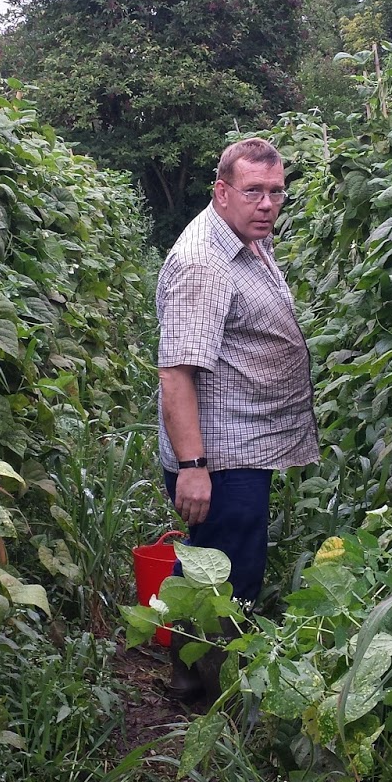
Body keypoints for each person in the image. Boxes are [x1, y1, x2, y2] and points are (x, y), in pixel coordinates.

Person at [156, 136, 318, 699]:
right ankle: (212, 693)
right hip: (220, 455)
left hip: (243, 441)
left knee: (215, 562)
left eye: (276, 191)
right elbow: (176, 373)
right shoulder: (205, 263)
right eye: (253, 191)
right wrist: (193, 467)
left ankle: (190, 674)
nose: (267, 204)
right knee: (226, 574)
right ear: (222, 192)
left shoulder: (247, 238)